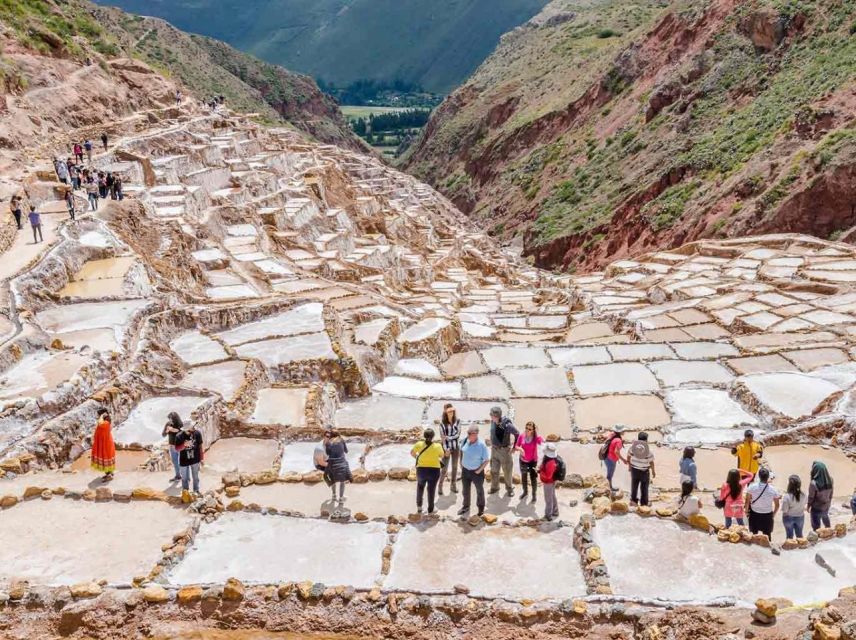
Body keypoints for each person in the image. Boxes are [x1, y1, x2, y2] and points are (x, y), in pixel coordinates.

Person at [411, 428, 445, 514]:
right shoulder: (437, 446)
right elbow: (442, 455)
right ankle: (430, 509)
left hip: (421, 470)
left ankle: (419, 508)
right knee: (431, 490)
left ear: (424, 436)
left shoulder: (419, 444)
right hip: (434, 471)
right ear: (433, 437)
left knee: (420, 487)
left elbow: (412, 453)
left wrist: (417, 458)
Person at [458, 425, 489, 517]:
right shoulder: (465, 440)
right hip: (465, 471)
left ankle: (481, 509)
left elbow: (487, 460)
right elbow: (462, 451)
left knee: (479, 491)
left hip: (476, 472)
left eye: (469, 433)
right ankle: (466, 506)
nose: (468, 435)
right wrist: (461, 463)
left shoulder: (482, 445)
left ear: (476, 434)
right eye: (467, 433)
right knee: (465, 490)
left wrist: (479, 470)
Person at [488, 406, 518, 497]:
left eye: (492, 415)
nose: (490, 416)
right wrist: (491, 441)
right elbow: (493, 433)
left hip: (504, 451)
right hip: (494, 450)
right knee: (494, 470)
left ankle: (509, 489)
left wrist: (514, 447)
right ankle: (495, 487)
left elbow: (517, 433)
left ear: (497, 416)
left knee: (507, 471)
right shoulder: (493, 422)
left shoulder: (507, 424)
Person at [745, 467, 780, 540]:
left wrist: (746, 512)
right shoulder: (773, 490)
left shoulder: (752, 487)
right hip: (767, 515)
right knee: (767, 535)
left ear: (759, 476)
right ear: (768, 477)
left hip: (754, 514)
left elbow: (747, 501)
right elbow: (777, 505)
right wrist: (773, 515)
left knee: (753, 535)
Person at [515, 421, 543, 502]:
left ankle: (534, 495)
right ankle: (525, 492)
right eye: (526, 428)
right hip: (523, 460)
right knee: (524, 477)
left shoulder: (536, 437)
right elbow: (516, 446)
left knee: (533, 479)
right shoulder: (521, 436)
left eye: (530, 429)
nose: (527, 430)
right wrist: (520, 449)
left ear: (533, 430)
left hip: (533, 461)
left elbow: (543, 443)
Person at [323, 428, 351, 504]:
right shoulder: (341, 440)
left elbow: (328, 453)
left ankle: (334, 495)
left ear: (331, 435)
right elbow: (346, 451)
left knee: (331, 479)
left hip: (331, 464)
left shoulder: (328, 443)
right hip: (341, 463)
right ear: (338, 434)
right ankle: (341, 498)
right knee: (342, 481)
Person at [175, 421, 204, 494]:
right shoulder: (179, 436)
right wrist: (184, 445)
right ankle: (186, 493)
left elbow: (200, 446)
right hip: (184, 460)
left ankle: (196, 491)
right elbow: (177, 449)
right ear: (187, 430)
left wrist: (202, 458)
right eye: (192, 427)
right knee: (184, 478)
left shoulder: (197, 433)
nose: (193, 427)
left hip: (195, 459)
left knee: (196, 477)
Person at [628, 432, 655, 507]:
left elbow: (628, 456)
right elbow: (651, 462)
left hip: (634, 470)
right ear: (646, 440)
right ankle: (644, 503)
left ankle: (633, 501)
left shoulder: (632, 448)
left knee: (634, 486)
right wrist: (653, 471)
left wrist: (629, 466)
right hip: (644, 471)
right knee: (644, 488)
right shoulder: (648, 452)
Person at [438, 403, 460, 495]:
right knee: (444, 468)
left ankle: (453, 485)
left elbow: (458, 434)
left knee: (455, 467)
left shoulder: (458, 421)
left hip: (455, 448)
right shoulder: (442, 424)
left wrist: (448, 437)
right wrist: (446, 449)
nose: (451, 412)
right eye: (449, 411)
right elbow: (442, 439)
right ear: (445, 412)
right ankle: (440, 486)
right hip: (446, 449)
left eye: (452, 411)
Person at [600, 425, 627, 493]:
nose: (624, 431)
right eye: (623, 430)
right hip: (611, 459)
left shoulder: (612, 434)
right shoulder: (618, 440)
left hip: (606, 456)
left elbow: (605, 437)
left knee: (609, 473)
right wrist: (623, 460)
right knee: (610, 475)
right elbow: (616, 452)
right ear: (620, 431)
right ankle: (610, 488)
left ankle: (608, 487)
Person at [91, 408, 115, 482]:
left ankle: (109, 475)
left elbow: (100, 423)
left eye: (99, 415)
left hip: (105, 443)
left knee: (105, 456)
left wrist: (101, 416)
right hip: (103, 442)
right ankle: (109, 473)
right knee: (106, 456)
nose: (98, 416)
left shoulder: (106, 422)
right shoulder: (105, 421)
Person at [808, 461, 834, 530]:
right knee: (826, 520)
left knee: (816, 527)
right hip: (826, 506)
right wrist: (828, 502)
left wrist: (808, 506)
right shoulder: (830, 480)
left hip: (816, 507)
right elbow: (831, 493)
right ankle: (829, 533)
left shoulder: (813, 483)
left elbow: (811, 497)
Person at [539, 442, 560, 520]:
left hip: (549, 482)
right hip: (552, 481)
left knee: (548, 499)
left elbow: (548, 476)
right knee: (552, 496)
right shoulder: (550, 460)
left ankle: (548, 515)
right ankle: (555, 511)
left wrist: (540, 471)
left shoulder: (550, 463)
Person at [782, 474, 807, 540]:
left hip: (788, 518)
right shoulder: (804, 495)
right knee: (799, 535)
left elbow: (785, 510)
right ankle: (801, 547)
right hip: (800, 517)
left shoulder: (787, 496)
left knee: (789, 536)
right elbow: (804, 505)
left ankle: (790, 548)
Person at [161, 412, 183, 481]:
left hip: (180, 446)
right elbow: (163, 435)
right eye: (169, 419)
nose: (170, 420)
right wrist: (167, 430)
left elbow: (183, 434)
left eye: (171, 419)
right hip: (172, 446)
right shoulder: (168, 424)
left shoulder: (180, 424)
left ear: (175, 418)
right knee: (175, 462)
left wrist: (175, 430)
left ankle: (185, 476)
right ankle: (178, 476)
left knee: (182, 462)